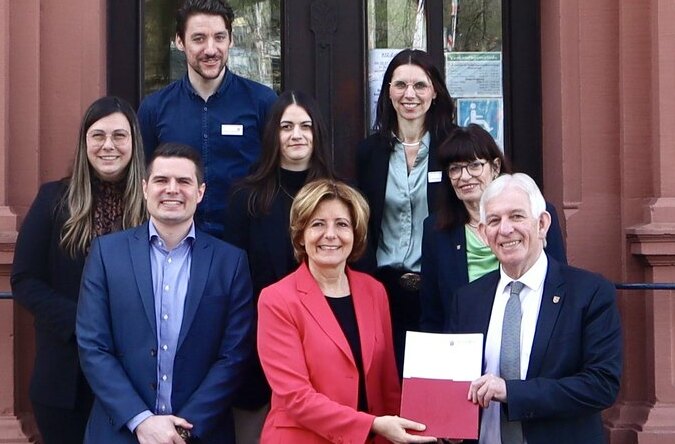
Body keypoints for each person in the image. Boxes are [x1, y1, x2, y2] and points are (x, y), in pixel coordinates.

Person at [76, 143, 253, 443]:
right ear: (145, 189)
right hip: (119, 431)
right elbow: (93, 346)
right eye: (161, 180)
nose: (172, 189)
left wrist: (181, 430)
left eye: (184, 181)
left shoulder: (230, 262)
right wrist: (141, 421)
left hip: (200, 433)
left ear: (200, 192)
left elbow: (234, 355)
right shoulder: (106, 254)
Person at [257, 179, 437, 444]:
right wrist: (372, 425)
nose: (330, 235)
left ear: (356, 233)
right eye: (318, 224)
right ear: (300, 235)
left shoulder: (374, 291)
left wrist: (414, 429)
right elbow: (296, 397)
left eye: (341, 224)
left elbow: (388, 385)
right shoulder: (277, 300)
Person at [10, 96, 147, 444]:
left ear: (134, 142)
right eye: (98, 135)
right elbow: (25, 279)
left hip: (138, 380)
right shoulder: (53, 200)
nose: (108, 145)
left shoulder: (153, 207)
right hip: (65, 381)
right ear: (84, 143)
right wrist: (85, 324)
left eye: (119, 136)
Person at [451, 173, 622, 444]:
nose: (505, 229)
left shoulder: (589, 293)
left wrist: (511, 392)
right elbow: (455, 382)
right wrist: (449, 426)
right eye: (494, 220)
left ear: (542, 224)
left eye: (516, 216)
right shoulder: (467, 300)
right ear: (483, 233)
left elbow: (601, 385)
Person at [223, 90, 336, 443]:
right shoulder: (246, 198)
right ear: (273, 134)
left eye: (305, 126)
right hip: (261, 350)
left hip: (327, 348)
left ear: (317, 133)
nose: (296, 135)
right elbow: (234, 281)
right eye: (286, 127)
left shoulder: (340, 195)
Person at [138, 0, 277, 238]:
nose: (211, 49)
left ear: (231, 40)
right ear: (180, 42)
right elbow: (143, 178)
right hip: (178, 241)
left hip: (248, 241)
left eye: (219, 37)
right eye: (199, 38)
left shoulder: (262, 102)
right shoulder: (154, 108)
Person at [357, 48, 457, 375]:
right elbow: (363, 222)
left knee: (435, 383)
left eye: (420, 85)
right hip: (383, 288)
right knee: (387, 379)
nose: (409, 94)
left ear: (435, 91)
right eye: (400, 85)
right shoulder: (370, 152)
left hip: (439, 287)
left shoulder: (453, 148)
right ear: (388, 91)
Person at [420, 124, 567, 333]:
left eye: (474, 165)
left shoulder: (537, 213)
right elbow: (432, 313)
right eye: (455, 168)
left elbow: (559, 282)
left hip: (533, 333)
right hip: (464, 341)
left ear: (495, 167)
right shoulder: (436, 229)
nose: (464, 176)